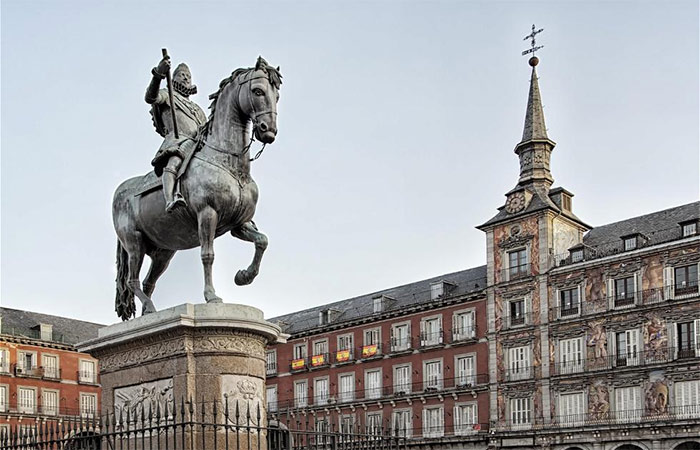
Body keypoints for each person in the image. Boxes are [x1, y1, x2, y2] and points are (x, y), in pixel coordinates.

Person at [145, 55, 207, 212]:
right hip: (179, 142)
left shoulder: (197, 109)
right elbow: (151, 97)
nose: (186, 78)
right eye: (182, 75)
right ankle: (170, 199)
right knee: (174, 162)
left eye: (189, 76)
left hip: (199, 146)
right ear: (173, 77)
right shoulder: (167, 95)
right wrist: (158, 74)